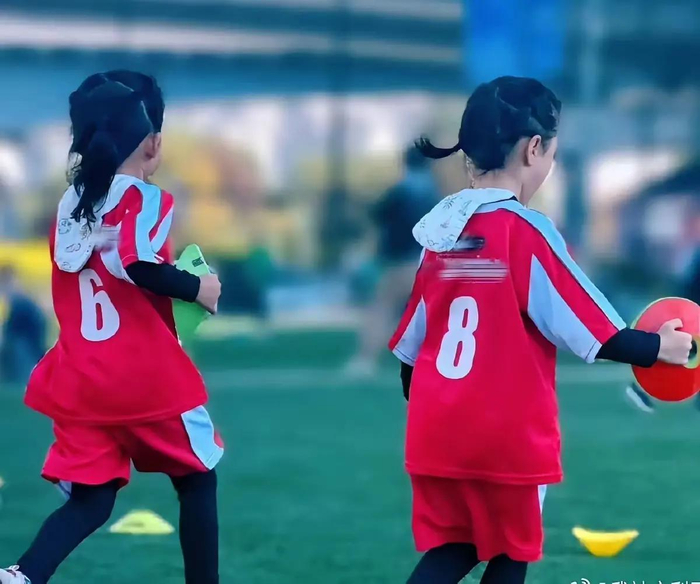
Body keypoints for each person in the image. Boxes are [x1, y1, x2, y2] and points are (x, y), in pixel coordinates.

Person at [388, 76, 692, 584]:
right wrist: (661, 347)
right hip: (504, 435)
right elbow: (592, 328)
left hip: (435, 432)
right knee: (511, 553)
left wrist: (438, 411)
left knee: (454, 547)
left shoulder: (439, 233)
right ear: (534, 149)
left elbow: (410, 349)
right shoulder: (526, 232)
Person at [0, 71, 223, 584]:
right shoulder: (144, 199)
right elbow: (135, 261)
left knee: (92, 500)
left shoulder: (70, 206)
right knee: (198, 478)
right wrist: (198, 289)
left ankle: (22, 575)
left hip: (81, 381)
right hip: (143, 377)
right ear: (153, 143)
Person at [346, 146, 438, 376]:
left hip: (402, 263)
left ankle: (365, 360)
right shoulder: (434, 192)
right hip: (430, 262)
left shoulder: (401, 191)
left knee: (382, 309)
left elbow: (376, 216)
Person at [0, 266, 47, 385]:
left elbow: (13, 328)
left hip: (26, 344)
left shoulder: (19, 300)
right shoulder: (20, 298)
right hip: (31, 342)